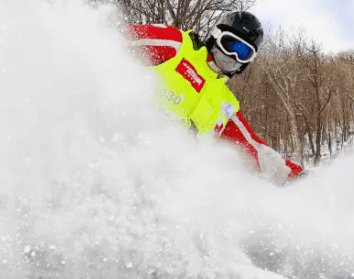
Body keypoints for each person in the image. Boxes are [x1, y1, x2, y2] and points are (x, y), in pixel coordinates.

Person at [124, 11, 303, 182]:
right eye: (229, 44)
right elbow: (114, 37)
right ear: (216, 36)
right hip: (125, 147)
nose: (232, 55)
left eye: (242, 53)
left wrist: (296, 178)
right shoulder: (177, 46)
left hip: (170, 184)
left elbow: (256, 150)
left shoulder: (226, 105)